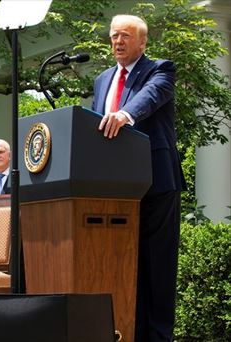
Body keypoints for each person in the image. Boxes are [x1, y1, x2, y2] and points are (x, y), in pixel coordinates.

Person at [92, 15, 185, 342]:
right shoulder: (102, 79)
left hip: (156, 184)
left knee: (157, 270)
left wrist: (125, 114)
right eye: (114, 36)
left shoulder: (160, 69)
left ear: (142, 42)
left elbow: (151, 97)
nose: (118, 42)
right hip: (115, 190)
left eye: (126, 37)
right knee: (125, 268)